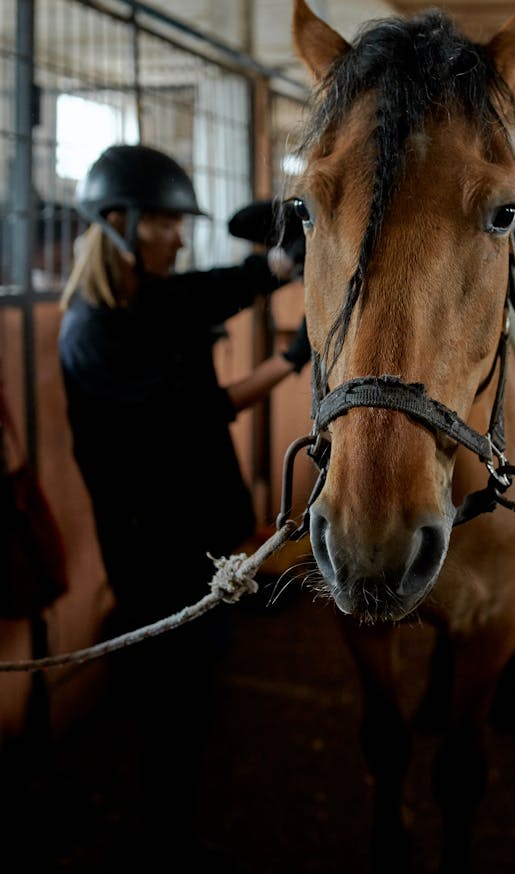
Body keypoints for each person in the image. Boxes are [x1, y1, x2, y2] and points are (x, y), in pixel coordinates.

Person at [57, 143, 311, 866]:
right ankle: (161, 836)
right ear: (117, 221)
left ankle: (175, 812)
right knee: (172, 705)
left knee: (200, 686)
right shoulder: (93, 333)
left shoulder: (151, 296)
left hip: (195, 534)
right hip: (151, 552)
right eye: (166, 221)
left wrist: (283, 262)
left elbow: (217, 288)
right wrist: (293, 363)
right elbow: (203, 410)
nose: (179, 234)